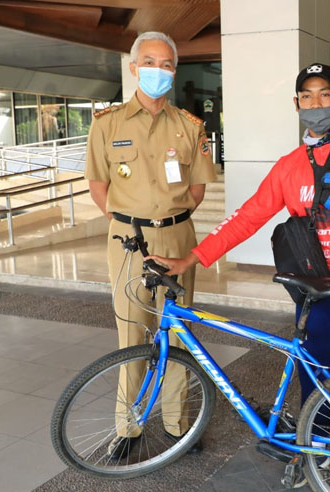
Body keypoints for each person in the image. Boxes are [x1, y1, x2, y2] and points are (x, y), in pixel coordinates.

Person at [147, 63, 330, 484]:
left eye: (325, 95)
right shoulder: (288, 166)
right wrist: (193, 258)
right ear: (296, 104)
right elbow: (247, 217)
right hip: (311, 284)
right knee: (314, 367)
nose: (316, 104)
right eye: (307, 97)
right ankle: (316, 450)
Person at [85, 31, 217, 459]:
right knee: (133, 332)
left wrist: (168, 218)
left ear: (174, 71)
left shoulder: (190, 126)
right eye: (149, 62)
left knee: (179, 333)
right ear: (133, 68)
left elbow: (197, 188)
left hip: (178, 234)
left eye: (165, 64)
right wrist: (130, 220)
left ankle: (178, 424)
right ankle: (129, 426)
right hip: (128, 240)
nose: (157, 71)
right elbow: (98, 186)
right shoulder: (108, 125)